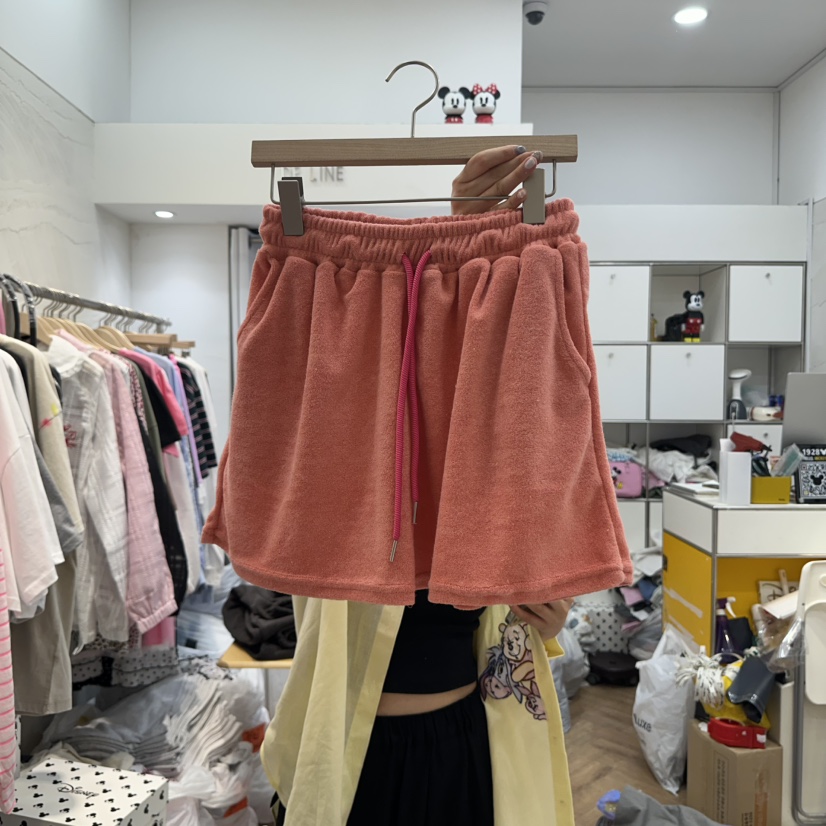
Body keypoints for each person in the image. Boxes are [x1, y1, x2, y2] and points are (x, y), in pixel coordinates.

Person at [262, 144, 577, 826]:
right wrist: (462, 233)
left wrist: (547, 618)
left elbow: (522, 622)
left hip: (463, 741)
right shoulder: (342, 448)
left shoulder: (491, 461)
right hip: (342, 750)